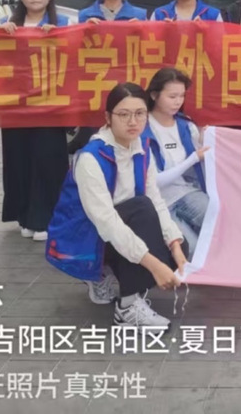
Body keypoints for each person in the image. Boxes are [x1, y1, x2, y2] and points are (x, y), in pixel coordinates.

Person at [46, 82, 186, 327]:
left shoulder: (142, 148)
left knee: (176, 249)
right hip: (86, 236)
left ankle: (105, 274)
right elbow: (107, 222)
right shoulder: (91, 158)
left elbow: (156, 200)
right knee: (141, 212)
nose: (133, 121)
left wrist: (175, 246)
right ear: (108, 118)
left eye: (140, 113)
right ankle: (127, 307)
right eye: (123, 114)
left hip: (122, 227)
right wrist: (154, 265)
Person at [0, 0, 71, 243]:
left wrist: (60, 38)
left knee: (48, 161)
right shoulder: (7, 24)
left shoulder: (64, 23)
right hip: (16, 106)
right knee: (19, 160)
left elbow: (76, 58)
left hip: (50, 105)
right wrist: (0, 36)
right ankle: (25, 216)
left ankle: (46, 218)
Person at [142, 68, 209, 257]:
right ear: (154, 95)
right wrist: (193, 158)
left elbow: (201, 167)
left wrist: (203, 141)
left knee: (218, 221)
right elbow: (154, 180)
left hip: (187, 192)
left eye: (181, 96)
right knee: (191, 249)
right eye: (172, 96)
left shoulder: (186, 125)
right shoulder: (142, 128)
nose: (178, 101)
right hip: (159, 202)